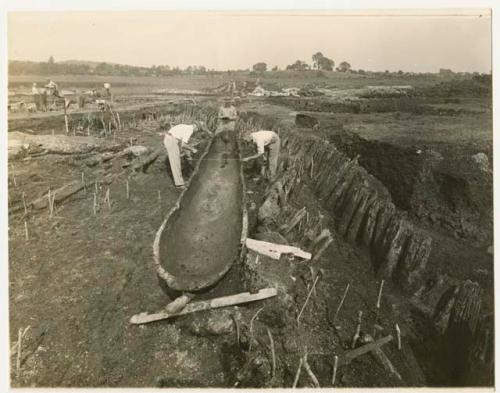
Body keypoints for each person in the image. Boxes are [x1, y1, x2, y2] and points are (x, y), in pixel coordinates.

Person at [161, 121, 212, 188]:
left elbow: (179, 140)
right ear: (196, 127)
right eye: (198, 130)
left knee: (177, 161)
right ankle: (179, 184)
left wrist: (186, 152)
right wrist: (192, 149)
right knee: (175, 163)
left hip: (171, 139)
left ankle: (179, 181)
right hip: (171, 140)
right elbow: (183, 145)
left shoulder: (185, 126)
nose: (196, 132)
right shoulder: (189, 130)